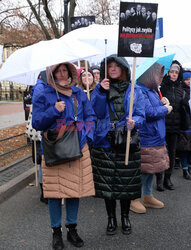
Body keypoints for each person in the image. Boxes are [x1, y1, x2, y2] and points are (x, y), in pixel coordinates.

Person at [32, 62, 96, 250]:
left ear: (70, 72)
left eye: (64, 70)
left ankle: (72, 229)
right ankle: (56, 232)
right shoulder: (43, 93)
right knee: (54, 193)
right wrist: (54, 110)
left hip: (78, 147)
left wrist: (84, 136)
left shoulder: (78, 93)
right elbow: (37, 122)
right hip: (55, 149)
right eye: (57, 70)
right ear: (51, 73)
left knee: (74, 191)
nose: (61, 73)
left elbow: (90, 118)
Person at [90, 54, 145, 235]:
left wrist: (134, 122)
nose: (112, 68)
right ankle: (111, 219)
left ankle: (125, 217)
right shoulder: (100, 89)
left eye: (116, 66)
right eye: (109, 66)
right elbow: (95, 113)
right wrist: (100, 92)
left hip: (127, 141)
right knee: (108, 185)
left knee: (126, 184)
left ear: (123, 69)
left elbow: (141, 115)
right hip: (105, 142)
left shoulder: (134, 89)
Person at [130, 63, 172, 214]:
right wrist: (165, 109)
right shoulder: (138, 89)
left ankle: (147, 196)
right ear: (149, 75)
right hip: (146, 136)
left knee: (150, 169)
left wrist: (162, 102)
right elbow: (147, 112)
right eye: (158, 74)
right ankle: (133, 199)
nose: (161, 78)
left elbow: (153, 108)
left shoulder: (152, 90)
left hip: (155, 136)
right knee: (141, 169)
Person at [159, 60, 185, 190]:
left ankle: (167, 178)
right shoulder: (162, 86)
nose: (174, 74)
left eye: (176, 72)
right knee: (160, 152)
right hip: (162, 125)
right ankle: (159, 179)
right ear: (167, 73)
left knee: (172, 153)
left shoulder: (181, 89)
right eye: (172, 72)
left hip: (175, 127)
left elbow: (182, 108)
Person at [176, 71, 191, 179]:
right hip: (185, 124)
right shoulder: (181, 91)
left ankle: (189, 167)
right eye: (187, 79)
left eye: (190, 79)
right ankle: (185, 168)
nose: (189, 81)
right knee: (184, 148)